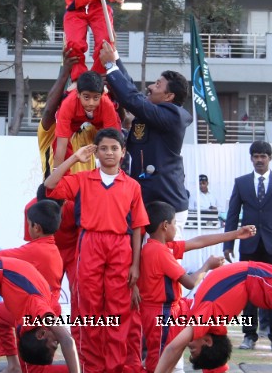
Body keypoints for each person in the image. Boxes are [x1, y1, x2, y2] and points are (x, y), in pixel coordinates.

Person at [39, 129, 149, 373]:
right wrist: (73, 158)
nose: (109, 153)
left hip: (121, 247)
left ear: (123, 152)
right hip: (90, 243)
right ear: (95, 152)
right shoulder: (83, 179)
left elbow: (138, 228)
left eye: (114, 148)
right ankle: (91, 370)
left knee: (117, 311)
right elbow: (50, 186)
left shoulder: (132, 186)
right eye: (104, 148)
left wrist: (135, 264)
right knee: (88, 308)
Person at [138, 201, 253, 373]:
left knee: (211, 320)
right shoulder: (157, 251)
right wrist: (207, 266)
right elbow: (191, 282)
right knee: (156, 368)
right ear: (165, 226)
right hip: (161, 312)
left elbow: (198, 241)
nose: (176, 228)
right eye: (175, 223)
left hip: (176, 307)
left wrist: (235, 234)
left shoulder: (162, 247)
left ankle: (215, 372)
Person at [99, 41, 192, 234]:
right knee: (139, 259)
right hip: (146, 203)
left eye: (158, 85)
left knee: (161, 261)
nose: (150, 87)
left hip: (168, 207)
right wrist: (115, 58)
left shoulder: (174, 115)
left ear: (169, 96)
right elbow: (131, 91)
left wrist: (110, 67)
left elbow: (132, 99)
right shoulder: (152, 112)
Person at [0, 200, 67, 373]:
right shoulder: (47, 248)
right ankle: (14, 367)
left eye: (28, 223)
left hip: (38, 314)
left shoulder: (37, 250)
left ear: (36, 227)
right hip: (33, 310)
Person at [223, 140, 272, 352]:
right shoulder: (241, 182)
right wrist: (229, 242)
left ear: (270, 158)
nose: (259, 160)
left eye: (263, 156)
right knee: (248, 293)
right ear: (251, 158)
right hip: (249, 244)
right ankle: (249, 335)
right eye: (255, 156)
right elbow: (232, 215)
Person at [38, 48, 99, 180]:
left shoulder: (89, 132)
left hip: (85, 198)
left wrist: (110, 86)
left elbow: (114, 127)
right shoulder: (50, 133)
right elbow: (49, 110)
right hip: (57, 195)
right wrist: (65, 73)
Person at [53, 71, 121, 168]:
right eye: (86, 97)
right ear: (78, 94)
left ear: (102, 95)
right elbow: (61, 145)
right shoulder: (68, 104)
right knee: (58, 142)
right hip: (74, 120)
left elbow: (113, 142)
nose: (91, 103)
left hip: (100, 121)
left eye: (96, 98)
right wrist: (56, 175)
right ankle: (64, 176)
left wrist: (114, 176)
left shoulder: (107, 105)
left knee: (113, 142)